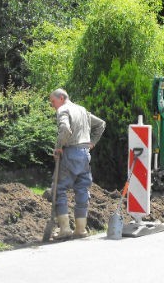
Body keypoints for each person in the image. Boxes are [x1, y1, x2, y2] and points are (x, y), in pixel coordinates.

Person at [49, 88, 106, 239]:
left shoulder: (63, 109)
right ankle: (80, 230)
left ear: (61, 98)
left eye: (53, 102)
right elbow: (101, 124)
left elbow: (65, 129)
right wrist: (92, 142)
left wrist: (58, 147)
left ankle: (65, 229)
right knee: (82, 189)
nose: (52, 105)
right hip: (84, 155)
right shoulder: (82, 110)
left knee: (58, 188)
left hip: (70, 153)